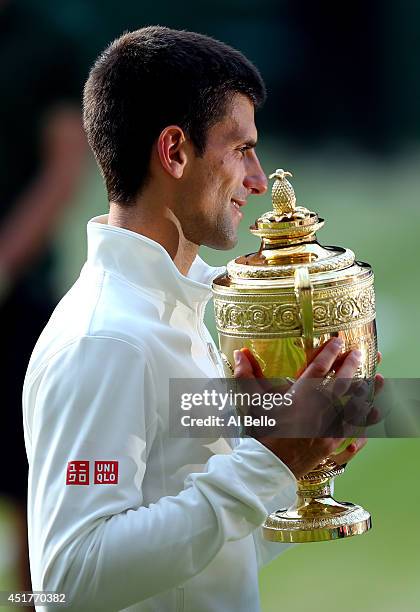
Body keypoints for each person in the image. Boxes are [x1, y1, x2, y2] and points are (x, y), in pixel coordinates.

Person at [22, 27, 379, 612]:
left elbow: (200, 563)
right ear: (175, 152)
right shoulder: (106, 340)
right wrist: (268, 461)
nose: (260, 181)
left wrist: (304, 459)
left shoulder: (174, 314)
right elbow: (68, 579)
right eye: (241, 149)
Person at [0, 0, 87, 598]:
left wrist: (3, 263)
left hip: (18, 303)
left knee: (36, 500)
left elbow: (64, 166)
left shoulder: (45, 41)